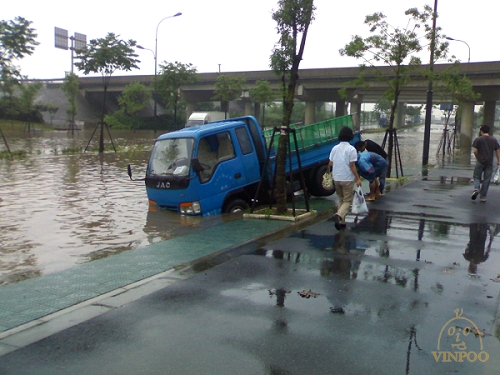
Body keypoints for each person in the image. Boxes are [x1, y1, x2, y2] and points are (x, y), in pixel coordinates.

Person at [328, 127, 362, 230]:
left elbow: (330, 163)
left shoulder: (335, 148)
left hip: (336, 178)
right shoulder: (351, 149)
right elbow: (352, 165)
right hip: (347, 178)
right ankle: (338, 215)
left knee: (341, 199)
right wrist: (357, 178)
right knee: (347, 201)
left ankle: (341, 222)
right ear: (350, 136)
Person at [471, 125, 500, 202]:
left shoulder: (478, 139)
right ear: (488, 131)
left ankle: (477, 188)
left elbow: (475, 151)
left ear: (481, 131)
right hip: (489, 162)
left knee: (477, 176)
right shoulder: (493, 140)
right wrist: (498, 160)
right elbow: (497, 150)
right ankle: (483, 197)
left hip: (480, 161)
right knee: (486, 179)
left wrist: (477, 157)